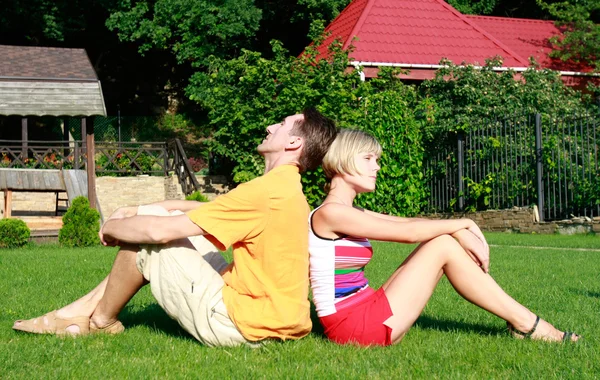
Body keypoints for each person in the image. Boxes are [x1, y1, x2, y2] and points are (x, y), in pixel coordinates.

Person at [13, 108, 338, 347]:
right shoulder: (282, 188)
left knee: (149, 239)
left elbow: (157, 234)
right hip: (273, 320)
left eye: (281, 125)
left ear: (294, 143)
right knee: (154, 219)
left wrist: (113, 226)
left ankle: (97, 320)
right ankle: (79, 313)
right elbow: (211, 211)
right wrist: (147, 208)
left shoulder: (266, 191)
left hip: (245, 325)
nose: (269, 126)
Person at [308, 128, 580, 346]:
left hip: (365, 310)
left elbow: (409, 222)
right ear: (342, 160)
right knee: (441, 245)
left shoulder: (347, 210)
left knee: (442, 241)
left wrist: (459, 229)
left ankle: (524, 323)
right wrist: (463, 223)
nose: (376, 167)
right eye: (368, 159)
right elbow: (410, 233)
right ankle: (527, 324)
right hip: (354, 328)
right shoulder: (330, 213)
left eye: (376, 160)